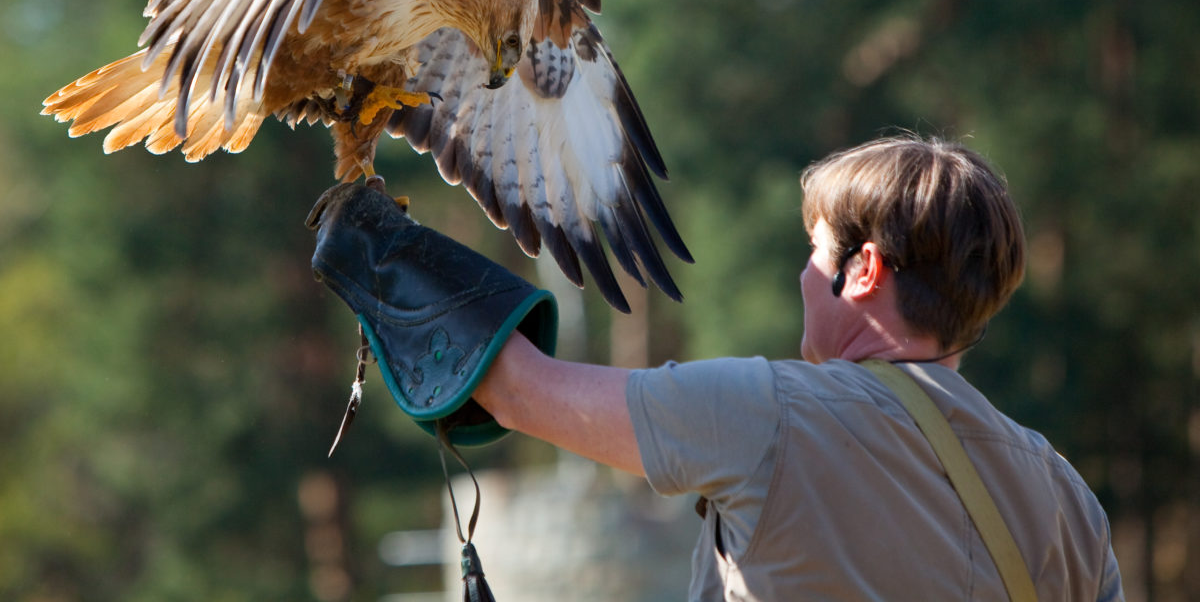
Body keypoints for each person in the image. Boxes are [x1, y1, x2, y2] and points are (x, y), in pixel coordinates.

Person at [310, 134, 1124, 600]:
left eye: (815, 254)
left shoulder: (768, 413)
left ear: (865, 272)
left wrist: (378, 247)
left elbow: (519, 389)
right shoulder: (1064, 498)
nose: (805, 277)